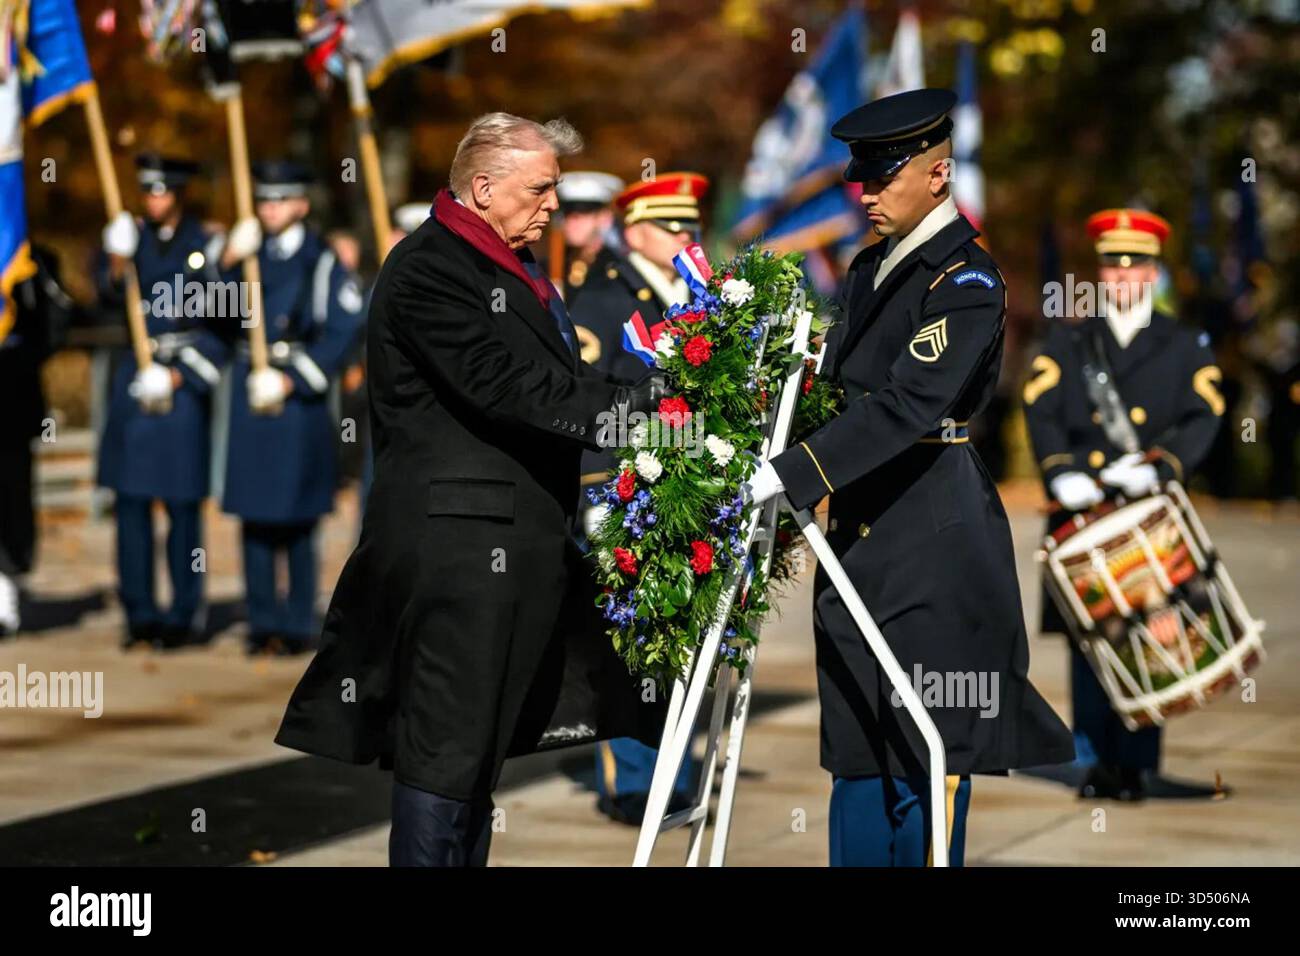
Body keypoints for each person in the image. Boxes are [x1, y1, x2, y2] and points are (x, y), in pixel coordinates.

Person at [274, 113, 666, 867]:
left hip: (507, 550)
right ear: (483, 189)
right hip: (457, 554)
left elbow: (562, 377)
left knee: (473, 763)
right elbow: (505, 385)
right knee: (445, 757)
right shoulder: (430, 267)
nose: (553, 204)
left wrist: (665, 395)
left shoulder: (504, 264)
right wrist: (645, 414)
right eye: (540, 188)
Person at [745, 88, 1075, 867]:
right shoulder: (868, 267)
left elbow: (907, 405)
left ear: (937, 175)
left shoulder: (965, 281)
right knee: (859, 751)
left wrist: (792, 473)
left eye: (882, 177)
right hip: (859, 537)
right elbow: (835, 388)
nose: (865, 193)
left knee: (928, 752)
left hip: (934, 540)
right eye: (860, 177)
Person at [1022, 208, 1227, 801]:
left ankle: (1136, 763)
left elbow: (1206, 413)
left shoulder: (1184, 344)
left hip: (1146, 513)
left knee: (1151, 630)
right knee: (1091, 639)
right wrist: (1059, 472)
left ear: (1153, 273)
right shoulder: (1069, 340)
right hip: (1083, 510)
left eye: (1135, 265)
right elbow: (1041, 408)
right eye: (1113, 264)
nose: (1123, 275)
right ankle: (1095, 762)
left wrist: (1162, 467)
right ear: (1100, 271)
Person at [569, 171, 710, 824]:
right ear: (635, 233)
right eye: (671, 227)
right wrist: (595, 491)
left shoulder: (699, 297)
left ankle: (675, 776)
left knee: (683, 636)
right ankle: (632, 781)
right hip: (624, 491)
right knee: (627, 640)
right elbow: (587, 401)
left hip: (692, 489)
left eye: (691, 226)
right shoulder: (602, 299)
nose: (685, 236)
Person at [214, 160, 365, 655]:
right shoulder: (246, 254)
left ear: (300, 204)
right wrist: (225, 262)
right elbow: (210, 315)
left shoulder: (320, 259)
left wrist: (291, 379)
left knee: (299, 516)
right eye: (264, 200)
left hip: (295, 396)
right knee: (255, 514)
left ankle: (298, 623)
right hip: (251, 385)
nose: (270, 209)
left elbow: (343, 327)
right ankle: (262, 622)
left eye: (280, 200)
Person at [96, 153, 227, 650]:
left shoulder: (204, 244)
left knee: (182, 505)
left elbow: (224, 323)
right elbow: (105, 298)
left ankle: (182, 613)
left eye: (161, 192)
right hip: (136, 377)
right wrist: (115, 258)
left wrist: (178, 375)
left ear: (178, 193)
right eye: (147, 191)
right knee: (131, 504)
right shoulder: (129, 239)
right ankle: (140, 614)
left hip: (178, 384)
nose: (152, 201)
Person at [0, 244, 76, 636]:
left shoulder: (29, 257)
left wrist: (19, 358)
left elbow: (57, 321)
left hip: (11, 400)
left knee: (12, 496)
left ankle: (6, 585)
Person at [551, 170, 624, 309]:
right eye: (567, 214)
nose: (572, 222)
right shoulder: (551, 265)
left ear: (604, 218)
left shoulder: (616, 267)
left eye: (583, 214)